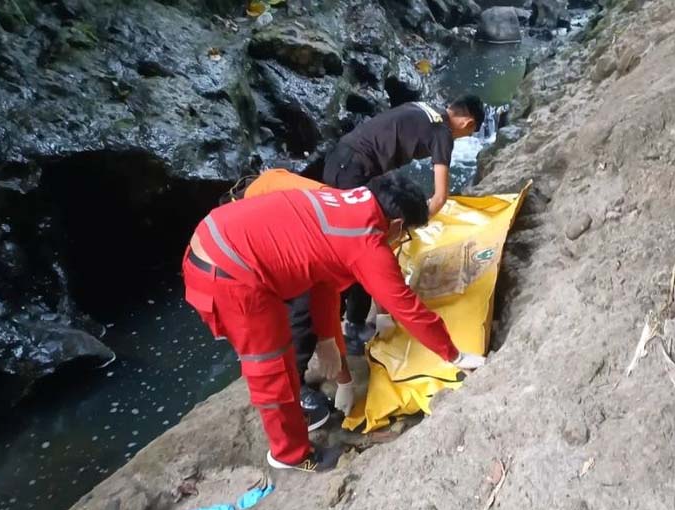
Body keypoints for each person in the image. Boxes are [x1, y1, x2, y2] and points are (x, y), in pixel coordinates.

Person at [182, 173, 485, 473]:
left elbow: (321, 278)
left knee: (282, 349)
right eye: (405, 234)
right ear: (396, 224)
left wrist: (328, 338)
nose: (400, 241)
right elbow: (407, 307)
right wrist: (454, 355)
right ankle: (290, 454)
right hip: (228, 273)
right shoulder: (367, 242)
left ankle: (291, 422)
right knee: (272, 364)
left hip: (216, 236)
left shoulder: (346, 201)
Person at [321, 94, 486, 354]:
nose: (463, 137)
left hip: (339, 158)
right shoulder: (442, 132)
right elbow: (440, 197)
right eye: (468, 133)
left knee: (349, 240)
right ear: (468, 123)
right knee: (367, 245)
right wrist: (412, 225)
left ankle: (343, 320)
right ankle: (352, 327)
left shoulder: (426, 108)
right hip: (354, 169)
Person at [243, 169, 355, 430]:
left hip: (277, 212)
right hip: (257, 222)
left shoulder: (345, 220)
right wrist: (345, 381)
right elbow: (325, 312)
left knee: (316, 309)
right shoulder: (329, 242)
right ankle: (294, 388)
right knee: (301, 315)